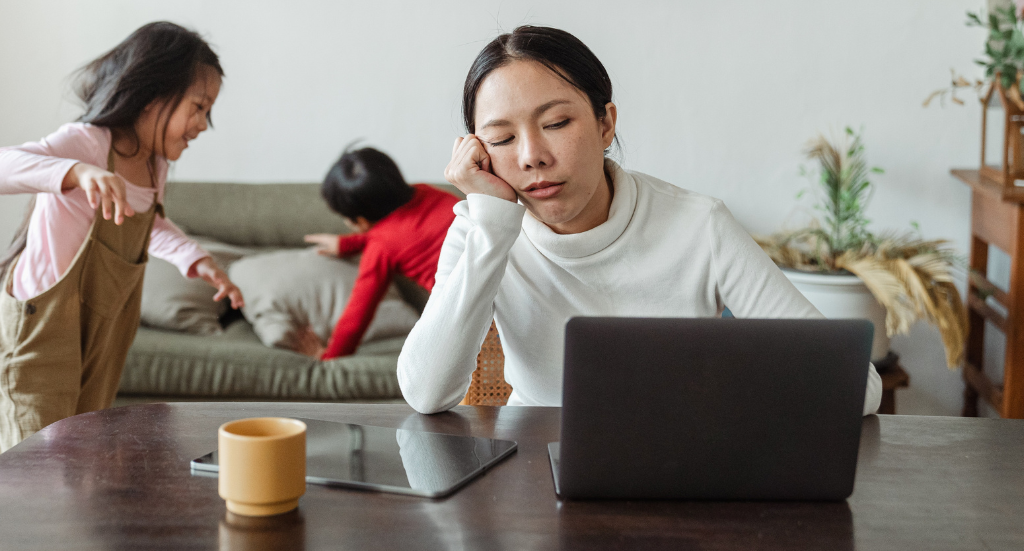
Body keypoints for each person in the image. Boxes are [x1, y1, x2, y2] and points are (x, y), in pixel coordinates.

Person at [397, 26, 882, 415]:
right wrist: (492, 226)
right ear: (477, 152)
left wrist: (720, 397)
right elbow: (426, 393)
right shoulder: (483, 229)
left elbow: (857, 387)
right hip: (534, 476)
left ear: (605, 123)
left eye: (556, 124)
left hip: (679, 466)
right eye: (501, 139)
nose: (532, 157)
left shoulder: (699, 226)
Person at [0, 21, 244, 451]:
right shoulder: (88, 143)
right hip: (45, 326)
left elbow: (146, 222)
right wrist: (74, 171)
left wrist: (196, 259)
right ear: (152, 98)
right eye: (199, 107)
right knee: (36, 454)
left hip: (105, 329)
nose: (204, 125)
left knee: (82, 448)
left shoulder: (154, 165)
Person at [301, 147, 459, 360]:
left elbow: (357, 316)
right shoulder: (427, 192)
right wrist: (349, 244)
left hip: (467, 314)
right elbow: (408, 230)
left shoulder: (381, 248)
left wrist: (330, 356)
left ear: (361, 220)